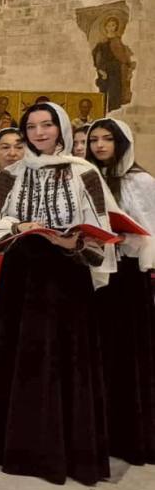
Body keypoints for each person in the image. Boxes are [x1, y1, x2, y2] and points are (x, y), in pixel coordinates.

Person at [0, 102, 114, 484]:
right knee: (23, 357)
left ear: (61, 129)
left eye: (47, 125)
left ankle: (66, 453)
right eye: (32, 127)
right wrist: (21, 225)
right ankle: (16, 449)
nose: (39, 133)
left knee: (63, 361)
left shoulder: (83, 172)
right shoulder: (10, 174)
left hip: (66, 277)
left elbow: (99, 231)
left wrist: (72, 244)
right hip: (22, 277)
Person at [86, 118, 155, 465]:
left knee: (128, 354)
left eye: (107, 139)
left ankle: (132, 436)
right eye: (94, 139)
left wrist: (129, 236)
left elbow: (151, 228)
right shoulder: (87, 177)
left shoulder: (140, 180)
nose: (99, 145)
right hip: (96, 273)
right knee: (100, 354)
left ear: (122, 143)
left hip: (128, 275)